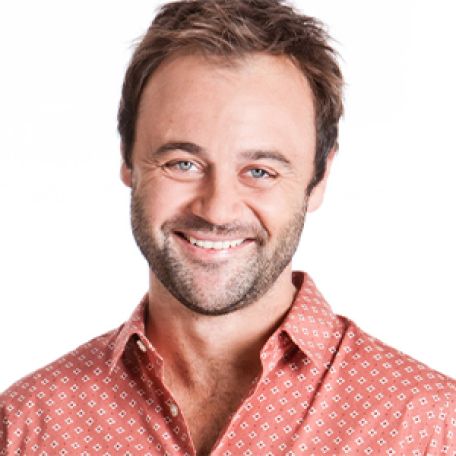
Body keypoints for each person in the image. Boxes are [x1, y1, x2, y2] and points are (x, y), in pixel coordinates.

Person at [1, 0, 455, 454]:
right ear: (127, 159)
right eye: (183, 163)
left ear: (319, 179)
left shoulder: (430, 429)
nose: (217, 211)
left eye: (260, 171)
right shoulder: (25, 428)